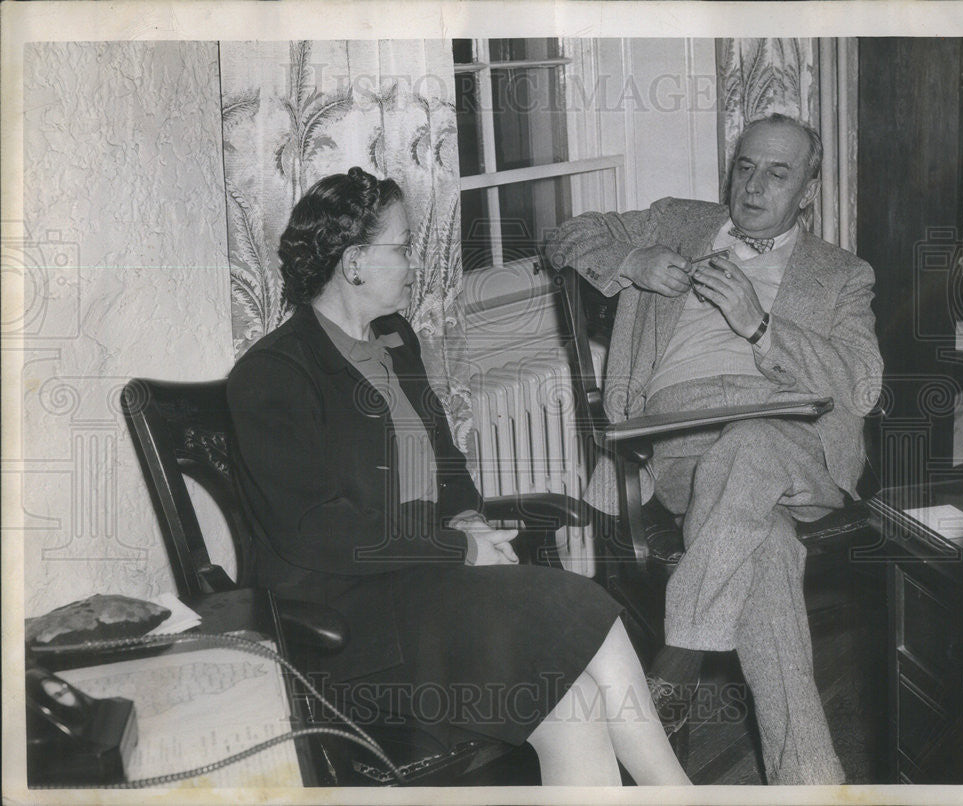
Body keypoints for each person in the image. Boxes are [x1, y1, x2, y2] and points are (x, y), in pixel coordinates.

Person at [226, 167, 690, 786]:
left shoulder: (392, 338)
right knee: (582, 603)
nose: (415, 263)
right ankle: (677, 793)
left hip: (427, 583)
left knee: (572, 708)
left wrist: (470, 519)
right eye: (404, 246)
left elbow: (445, 460)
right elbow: (317, 531)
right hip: (344, 618)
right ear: (355, 260)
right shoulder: (275, 372)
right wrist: (460, 546)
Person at [545, 114, 883, 785]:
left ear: (808, 189)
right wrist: (632, 262)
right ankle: (814, 783)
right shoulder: (677, 222)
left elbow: (863, 384)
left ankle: (677, 652)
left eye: (778, 174)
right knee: (767, 551)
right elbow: (563, 238)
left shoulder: (842, 273)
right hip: (685, 448)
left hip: (795, 448)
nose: (754, 186)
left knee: (754, 443)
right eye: (746, 167)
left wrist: (761, 326)